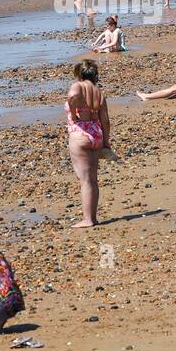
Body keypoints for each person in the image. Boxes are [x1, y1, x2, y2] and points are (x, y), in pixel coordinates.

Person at [66, 60, 111, 228]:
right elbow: (105, 121)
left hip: (80, 134)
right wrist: (106, 142)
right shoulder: (98, 92)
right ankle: (93, 216)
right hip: (96, 134)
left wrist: (73, 113)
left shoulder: (78, 86)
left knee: (85, 180)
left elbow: (72, 96)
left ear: (80, 74)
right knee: (93, 179)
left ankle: (87, 219)